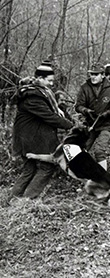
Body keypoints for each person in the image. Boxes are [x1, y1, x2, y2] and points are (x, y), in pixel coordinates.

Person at [10, 62, 73, 199]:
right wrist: (71, 126)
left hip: (28, 137)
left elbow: (51, 112)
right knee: (46, 167)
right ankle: (27, 200)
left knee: (29, 169)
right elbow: (49, 116)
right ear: (39, 78)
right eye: (49, 81)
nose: (51, 84)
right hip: (30, 139)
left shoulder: (37, 92)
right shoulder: (33, 96)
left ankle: (14, 199)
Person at [75, 63, 110, 170]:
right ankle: (82, 174)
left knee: (99, 151)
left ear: (102, 75)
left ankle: (103, 178)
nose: (93, 77)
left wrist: (108, 112)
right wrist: (86, 110)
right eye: (91, 74)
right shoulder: (84, 87)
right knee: (82, 149)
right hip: (90, 124)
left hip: (107, 125)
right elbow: (78, 106)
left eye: (96, 74)